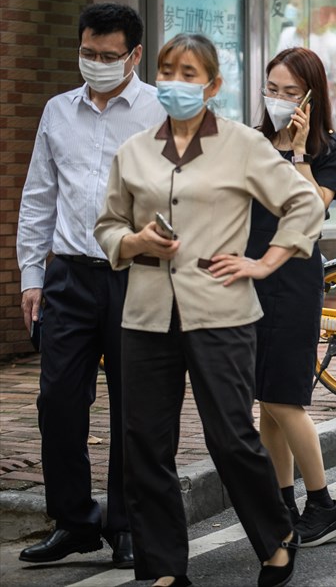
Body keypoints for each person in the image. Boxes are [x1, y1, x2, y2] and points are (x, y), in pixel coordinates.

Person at [94, 33, 324, 586]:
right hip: (146, 315)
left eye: (189, 73)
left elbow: (303, 204)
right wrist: (135, 243)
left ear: (212, 84)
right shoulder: (135, 150)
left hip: (221, 311)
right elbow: (107, 226)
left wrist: (265, 262)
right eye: (167, 70)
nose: (176, 81)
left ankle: (275, 538)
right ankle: (163, 567)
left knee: (230, 437)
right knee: (145, 444)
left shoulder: (243, 144)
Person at [16, 3, 163, 569]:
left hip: (138, 276)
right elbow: (38, 195)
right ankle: (74, 521)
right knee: (57, 401)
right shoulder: (58, 111)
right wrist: (33, 275)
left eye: (107, 56)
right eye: (87, 54)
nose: (95, 65)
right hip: (69, 276)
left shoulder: (158, 111)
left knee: (134, 405)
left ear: (134, 55)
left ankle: (127, 523)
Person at [249, 47, 336, 546]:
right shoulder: (247, 143)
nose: (280, 101)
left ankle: (324, 504)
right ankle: (284, 501)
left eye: (291, 92)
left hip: (293, 280)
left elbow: (312, 210)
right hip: (249, 276)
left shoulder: (329, 151)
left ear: (312, 97)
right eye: (273, 90)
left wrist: (298, 153)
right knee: (266, 400)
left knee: (285, 397)